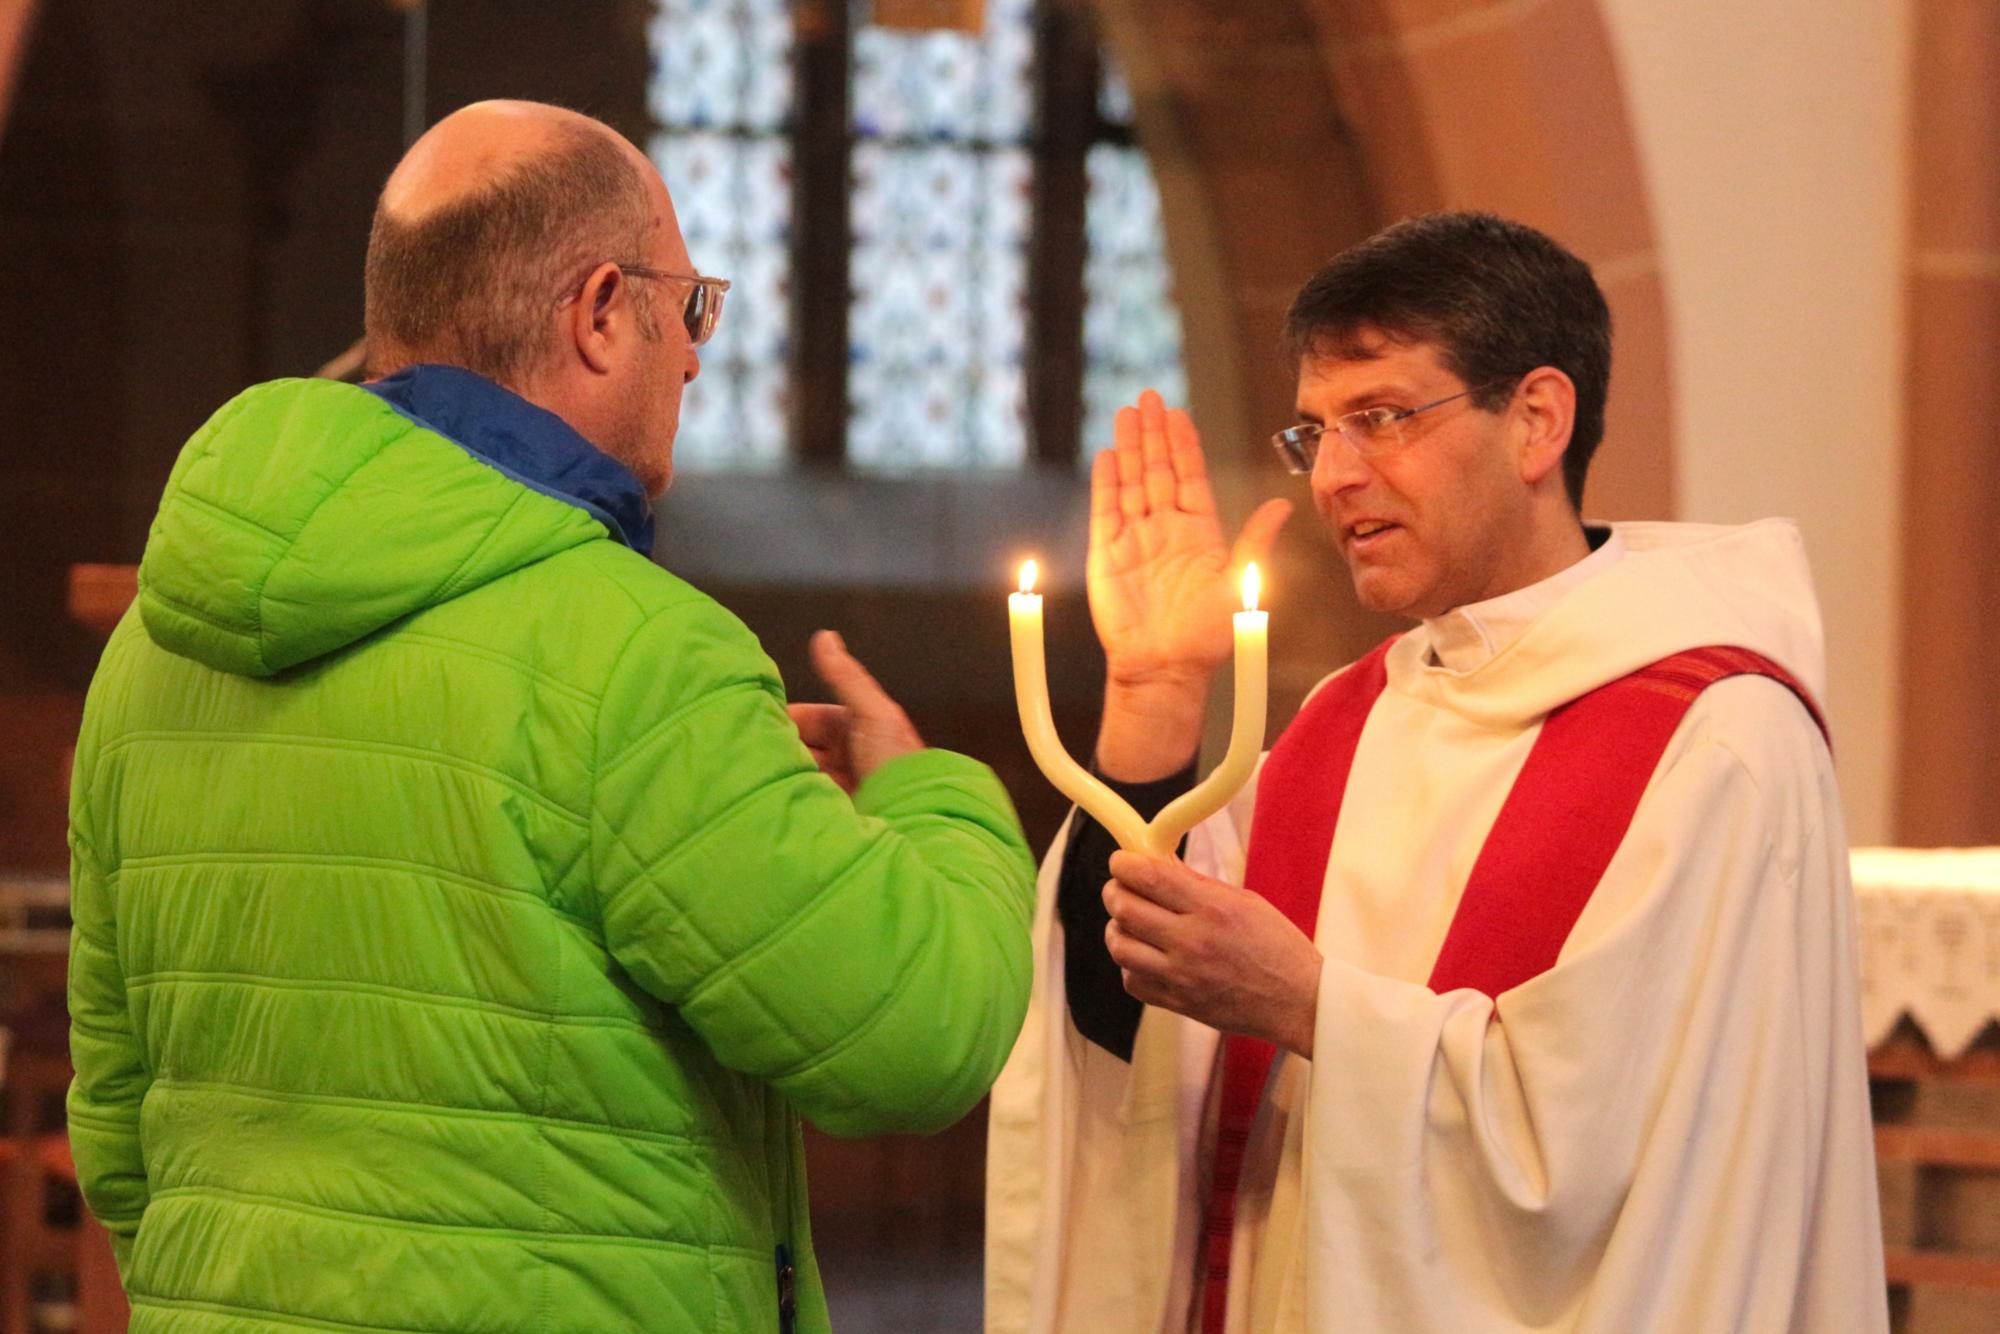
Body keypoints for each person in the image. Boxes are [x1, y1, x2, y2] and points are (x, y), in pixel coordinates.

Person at [66, 100, 1037, 1334]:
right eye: (690, 308)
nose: (695, 360)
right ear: (599, 311)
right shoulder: (637, 653)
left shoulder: (150, 651)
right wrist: (926, 795)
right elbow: (915, 1033)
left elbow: (118, 1125)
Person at [985, 212, 1885, 1332]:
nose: (1334, 477)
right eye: (1315, 433)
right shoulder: (1347, 718)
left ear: (1536, 420)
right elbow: (1132, 1030)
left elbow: (1642, 1168)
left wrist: (1308, 1004)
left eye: (1380, 418)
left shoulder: (1719, 739)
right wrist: (1157, 694)